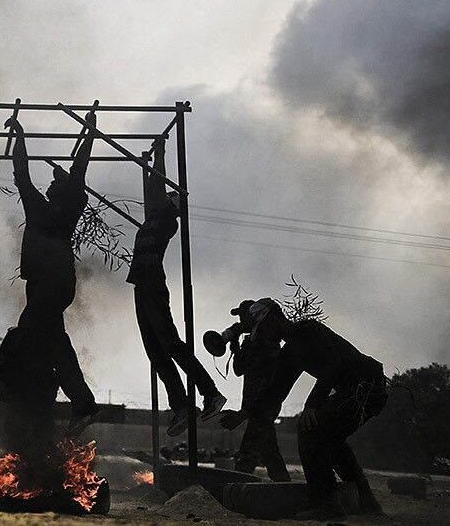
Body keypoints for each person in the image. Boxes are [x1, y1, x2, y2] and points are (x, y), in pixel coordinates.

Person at [219, 299, 387, 519]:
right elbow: (276, 391)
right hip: (360, 391)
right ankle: (367, 502)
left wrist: (312, 405)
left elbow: (332, 366)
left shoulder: (309, 330)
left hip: (366, 388)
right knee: (333, 441)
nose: (263, 336)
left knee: (310, 429)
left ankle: (327, 505)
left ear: (272, 320)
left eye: (263, 329)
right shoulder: (290, 353)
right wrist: (243, 414)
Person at [0, 113, 99, 430]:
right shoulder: (36, 207)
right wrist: (20, 137)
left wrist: (89, 133)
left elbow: (80, 168)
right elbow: (21, 173)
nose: (52, 182)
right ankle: (84, 405)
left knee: (24, 330)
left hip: (58, 282)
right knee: (54, 344)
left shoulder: (70, 205)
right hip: (39, 283)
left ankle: (8, 382)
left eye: (57, 181)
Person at [128, 137, 225, 436]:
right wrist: (153, 159)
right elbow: (153, 187)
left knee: (170, 345)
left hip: (153, 287)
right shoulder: (156, 217)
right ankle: (181, 406)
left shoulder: (168, 220)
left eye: (169, 195)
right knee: (156, 353)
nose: (163, 194)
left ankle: (210, 392)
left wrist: (161, 153)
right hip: (141, 287)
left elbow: (157, 184)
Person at [227, 301, 291, 481]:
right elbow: (239, 370)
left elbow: (262, 372)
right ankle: (286, 491)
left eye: (242, 316)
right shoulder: (252, 341)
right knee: (271, 456)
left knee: (247, 454)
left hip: (262, 407)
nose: (240, 321)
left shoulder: (266, 341)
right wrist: (235, 345)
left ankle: (235, 492)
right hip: (257, 408)